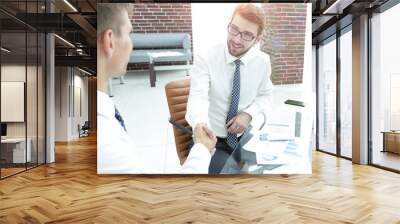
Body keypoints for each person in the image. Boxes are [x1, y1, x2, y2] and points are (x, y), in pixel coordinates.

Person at [97, 3, 216, 174]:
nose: (131, 43)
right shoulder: (105, 141)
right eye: (129, 33)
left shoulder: (103, 112)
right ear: (110, 41)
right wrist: (202, 149)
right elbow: (171, 196)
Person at [186, 3, 273, 174]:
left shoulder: (263, 62)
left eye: (247, 35)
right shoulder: (206, 57)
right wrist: (201, 126)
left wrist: (249, 114)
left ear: (258, 39)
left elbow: (265, 96)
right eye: (234, 29)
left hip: (245, 138)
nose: (236, 39)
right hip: (214, 140)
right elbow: (198, 97)